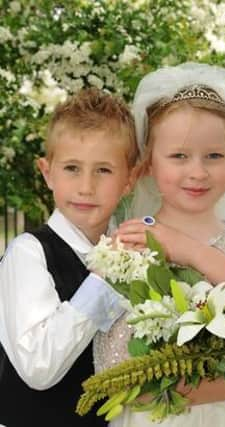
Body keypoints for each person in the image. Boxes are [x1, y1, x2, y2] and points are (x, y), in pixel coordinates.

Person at [94, 63, 225, 426]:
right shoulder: (130, 247)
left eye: (214, 156)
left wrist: (191, 251)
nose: (198, 172)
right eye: (179, 156)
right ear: (149, 162)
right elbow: (114, 371)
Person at [0, 87, 138, 426]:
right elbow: (38, 368)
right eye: (72, 168)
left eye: (103, 170)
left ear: (129, 179)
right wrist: (104, 281)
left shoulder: (138, 254)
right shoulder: (29, 253)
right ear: (47, 173)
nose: (86, 186)